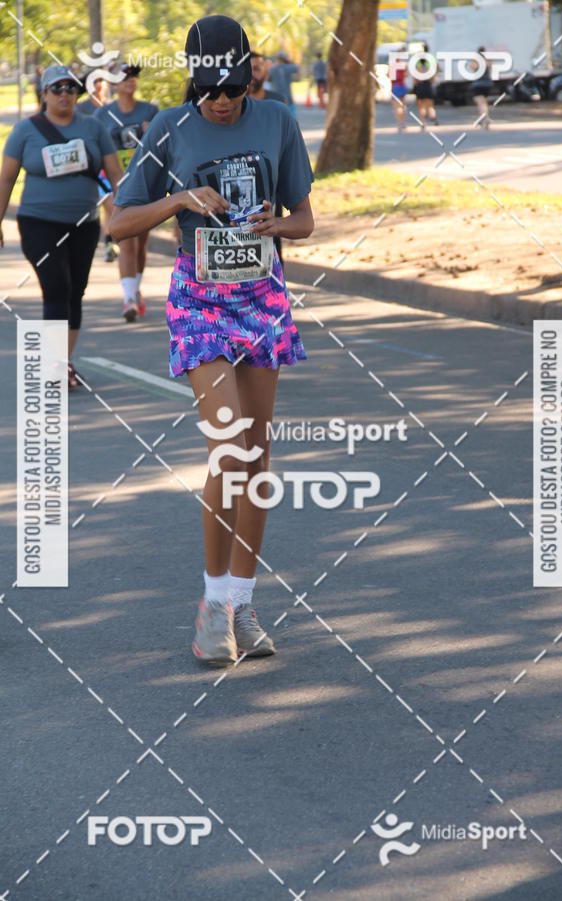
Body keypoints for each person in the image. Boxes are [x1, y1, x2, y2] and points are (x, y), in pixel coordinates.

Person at [111, 14, 314, 666]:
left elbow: (305, 218)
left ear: (251, 72)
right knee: (227, 445)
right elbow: (118, 222)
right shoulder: (166, 128)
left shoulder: (278, 120)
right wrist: (178, 200)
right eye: (209, 91)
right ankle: (211, 605)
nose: (222, 102)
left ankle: (243, 603)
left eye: (231, 89)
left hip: (263, 297)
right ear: (191, 82)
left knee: (255, 456)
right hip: (200, 301)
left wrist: (275, 223)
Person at [0, 65, 121, 388]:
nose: (65, 94)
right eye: (57, 88)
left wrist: (127, 213)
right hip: (38, 223)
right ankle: (55, 367)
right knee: (56, 287)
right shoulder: (25, 131)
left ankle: (63, 363)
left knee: (75, 292)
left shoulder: (94, 128)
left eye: (71, 88)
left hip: (84, 224)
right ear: (44, 94)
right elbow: (6, 178)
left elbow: (116, 177)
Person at [93, 63, 159, 321]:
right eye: (124, 77)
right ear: (113, 83)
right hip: (112, 185)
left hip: (144, 184)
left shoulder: (150, 111)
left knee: (141, 242)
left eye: (134, 76)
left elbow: (161, 148)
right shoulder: (102, 116)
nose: (130, 80)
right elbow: (95, 152)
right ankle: (129, 299)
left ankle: (135, 287)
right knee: (127, 238)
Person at [248, 51, 286, 268]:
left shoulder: (277, 102)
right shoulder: (236, 104)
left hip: (271, 175)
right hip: (244, 174)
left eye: (258, 68)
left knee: (273, 229)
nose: (255, 73)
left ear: (266, 70)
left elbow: (288, 137)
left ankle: (275, 277)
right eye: (250, 68)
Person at [78, 77, 119, 261]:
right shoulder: (81, 109)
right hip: (93, 169)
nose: (98, 87)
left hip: (111, 165)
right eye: (94, 84)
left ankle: (110, 242)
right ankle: (111, 242)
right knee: (109, 205)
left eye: (101, 83)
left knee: (109, 208)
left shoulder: (111, 109)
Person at [414, 43, 438, 129]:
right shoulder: (431, 62)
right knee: (430, 105)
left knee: (421, 106)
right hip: (428, 85)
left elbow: (415, 78)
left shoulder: (418, 65)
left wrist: (416, 85)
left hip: (420, 86)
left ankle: (423, 123)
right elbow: (433, 77)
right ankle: (433, 116)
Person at [268, 51, 299, 116]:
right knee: (291, 117)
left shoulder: (272, 69)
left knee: (276, 116)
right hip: (287, 96)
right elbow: (297, 67)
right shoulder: (288, 67)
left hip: (275, 96)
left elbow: (268, 79)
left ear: (277, 58)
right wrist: (289, 61)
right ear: (284, 59)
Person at [470, 47, 492, 129]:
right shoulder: (488, 61)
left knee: (480, 103)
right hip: (487, 84)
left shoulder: (475, 61)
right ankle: (485, 117)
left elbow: (472, 67)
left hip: (478, 84)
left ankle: (485, 118)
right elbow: (490, 68)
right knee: (484, 102)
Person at [390, 55, 408, 130]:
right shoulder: (403, 65)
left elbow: (390, 76)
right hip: (402, 85)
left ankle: (399, 123)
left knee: (397, 107)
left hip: (395, 86)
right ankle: (403, 122)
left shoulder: (392, 66)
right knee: (403, 105)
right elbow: (406, 75)